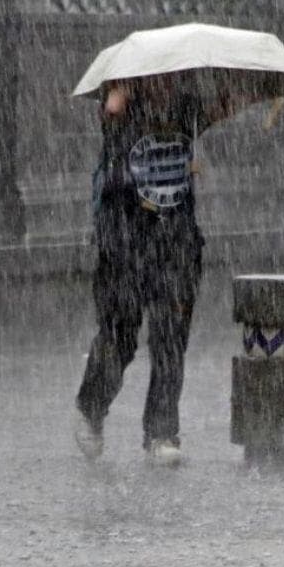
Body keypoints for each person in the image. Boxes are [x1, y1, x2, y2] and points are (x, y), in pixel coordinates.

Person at [74, 74, 260, 465]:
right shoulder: (119, 109)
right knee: (119, 337)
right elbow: (109, 111)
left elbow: (221, 109)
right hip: (124, 238)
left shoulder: (186, 107)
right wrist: (120, 91)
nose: (165, 87)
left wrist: (247, 92)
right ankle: (91, 408)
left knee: (170, 339)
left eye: (170, 80)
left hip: (175, 240)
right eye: (156, 81)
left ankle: (161, 433)